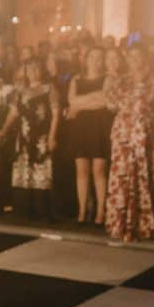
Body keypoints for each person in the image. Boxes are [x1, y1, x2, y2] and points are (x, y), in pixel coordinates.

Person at [104, 44, 154, 242]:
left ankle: (141, 224)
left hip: (142, 132)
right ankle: (120, 223)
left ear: (145, 58)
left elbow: (153, 103)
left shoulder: (153, 80)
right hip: (122, 131)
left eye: (139, 56)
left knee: (141, 175)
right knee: (122, 176)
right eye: (131, 57)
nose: (135, 60)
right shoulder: (121, 81)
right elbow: (111, 105)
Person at [0, 58, 60, 221]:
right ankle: (24, 210)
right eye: (29, 69)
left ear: (41, 69)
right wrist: (3, 131)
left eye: (36, 68)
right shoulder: (20, 92)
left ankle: (42, 211)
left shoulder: (49, 89)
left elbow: (56, 114)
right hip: (24, 137)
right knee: (23, 172)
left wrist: (52, 136)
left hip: (41, 138)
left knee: (41, 172)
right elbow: (13, 114)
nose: (32, 72)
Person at [66, 47, 112, 224]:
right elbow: (71, 102)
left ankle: (101, 210)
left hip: (99, 127)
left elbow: (105, 101)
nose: (96, 60)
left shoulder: (107, 79)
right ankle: (82, 209)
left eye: (99, 57)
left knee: (99, 170)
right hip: (81, 128)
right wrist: (94, 99)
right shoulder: (76, 79)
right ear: (86, 59)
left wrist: (80, 104)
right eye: (92, 56)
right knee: (81, 170)